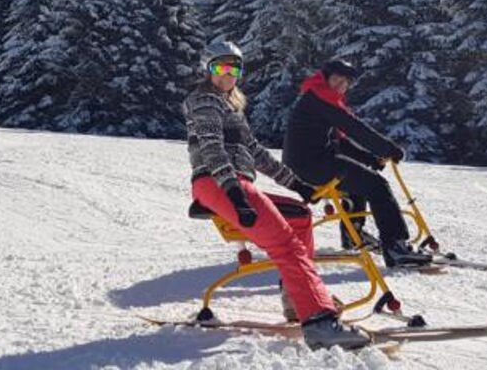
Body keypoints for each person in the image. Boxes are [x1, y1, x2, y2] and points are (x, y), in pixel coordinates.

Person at [183, 41, 370, 350]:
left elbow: (257, 154)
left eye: (234, 68)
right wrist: (234, 192)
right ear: (208, 69)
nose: (227, 75)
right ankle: (320, 321)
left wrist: (298, 186)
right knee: (286, 244)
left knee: (301, 217)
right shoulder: (204, 101)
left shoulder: (231, 105)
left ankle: (297, 300)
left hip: (237, 182)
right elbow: (211, 148)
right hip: (218, 182)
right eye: (220, 67)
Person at [282, 59, 432, 268]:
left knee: (358, 184)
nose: (340, 86)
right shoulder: (320, 98)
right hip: (311, 164)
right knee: (377, 185)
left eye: (345, 82)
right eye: (336, 79)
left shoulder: (316, 97)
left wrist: (369, 159)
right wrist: (389, 149)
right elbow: (354, 128)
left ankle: (354, 235)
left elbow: (338, 141)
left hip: (307, 163)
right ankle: (396, 248)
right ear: (325, 78)